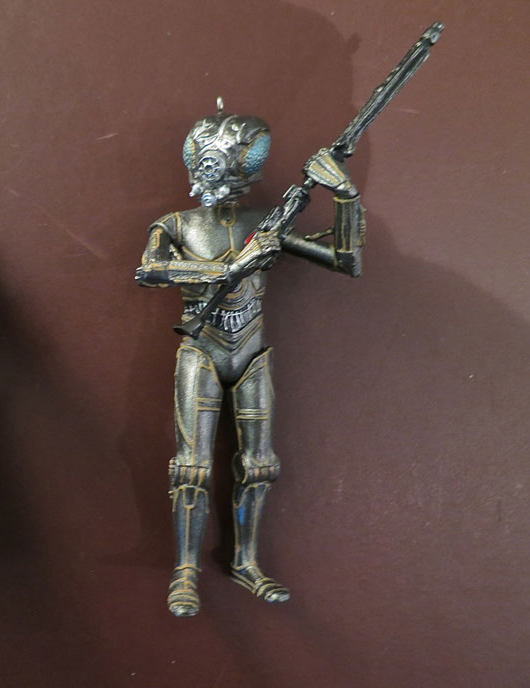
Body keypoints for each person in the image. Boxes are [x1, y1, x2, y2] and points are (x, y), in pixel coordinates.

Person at [136, 102, 365, 617]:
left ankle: (246, 561)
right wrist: (228, 269)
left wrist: (345, 196)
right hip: (200, 349)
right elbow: (149, 270)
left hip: (251, 351)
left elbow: (346, 260)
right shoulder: (176, 223)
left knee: (260, 465)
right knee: (191, 468)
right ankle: (186, 570)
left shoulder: (265, 224)